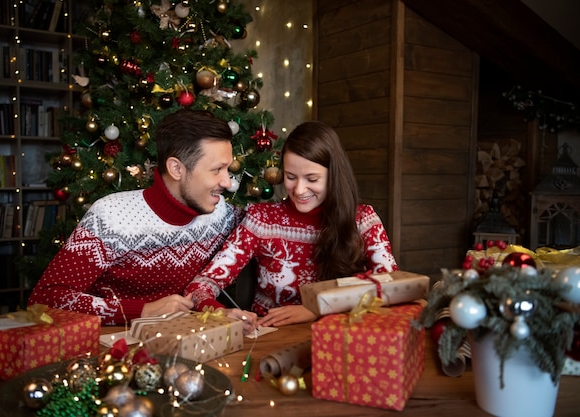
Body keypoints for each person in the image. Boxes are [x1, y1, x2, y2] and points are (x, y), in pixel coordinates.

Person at [28, 110, 245, 326]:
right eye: (217, 170)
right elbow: (46, 300)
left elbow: (267, 221)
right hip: (115, 351)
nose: (227, 182)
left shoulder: (221, 214)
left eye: (227, 169)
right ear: (176, 169)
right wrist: (141, 310)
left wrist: (216, 312)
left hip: (184, 344)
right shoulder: (112, 216)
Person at [185, 120, 398, 327]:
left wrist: (318, 307)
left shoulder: (362, 220)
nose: (299, 190)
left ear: (334, 176)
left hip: (339, 335)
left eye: (312, 179)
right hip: (270, 337)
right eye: (290, 177)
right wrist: (220, 313)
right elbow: (201, 285)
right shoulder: (262, 220)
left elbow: (393, 285)